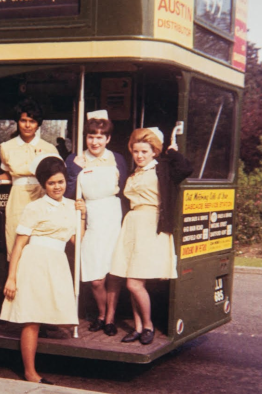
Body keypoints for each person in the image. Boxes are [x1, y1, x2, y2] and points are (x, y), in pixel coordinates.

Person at [0, 155, 86, 385]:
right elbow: (18, 245)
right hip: (34, 262)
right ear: (43, 185)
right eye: (51, 183)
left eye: (60, 182)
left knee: (58, 318)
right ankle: (30, 372)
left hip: (57, 263)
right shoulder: (34, 207)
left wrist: (83, 214)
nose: (57, 187)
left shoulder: (71, 205)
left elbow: (78, 239)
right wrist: (11, 277)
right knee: (32, 319)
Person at [110, 127, 193, 345]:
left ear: (154, 151)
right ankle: (137, 327)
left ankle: (148, 325)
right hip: (132, 225)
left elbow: (186, 169)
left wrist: (173, 152)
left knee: (133, 283)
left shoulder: (162, 169)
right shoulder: (134, 172)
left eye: (144, 152)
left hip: (151, 226)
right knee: (132, 278)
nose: (139, 156)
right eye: (136, 151)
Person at [64, 110, 129, 336]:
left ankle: (108, 318)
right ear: (86, 137)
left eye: (100, 136)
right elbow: (69, 192)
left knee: (113, 272)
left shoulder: (117, 159)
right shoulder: (74, 159)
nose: (95, 141)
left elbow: (126, 192)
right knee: (95, 278)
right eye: (91, 136)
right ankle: (101, 312)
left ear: (108, 139)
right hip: (88, 216)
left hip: (112, 216)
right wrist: (75, 171)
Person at [0, 98, 58, 260]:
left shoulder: (49, 148)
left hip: (41, 197)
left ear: (38, 124)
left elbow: (57, 177)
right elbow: (9, 174)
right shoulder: (6, 147)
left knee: (41, 246)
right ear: (18, 122)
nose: (27, 125)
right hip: (18, 200)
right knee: (16, 243)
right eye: (23, 120)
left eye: (32, 121)